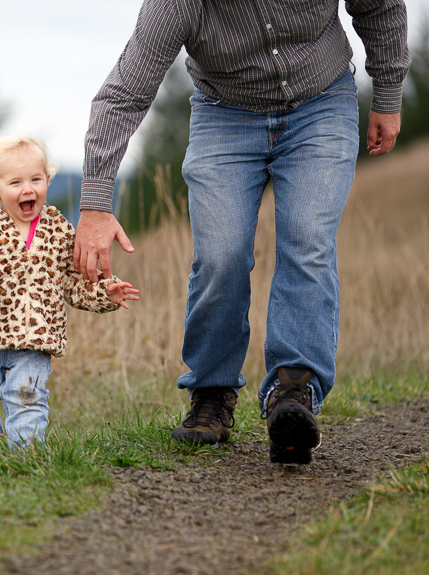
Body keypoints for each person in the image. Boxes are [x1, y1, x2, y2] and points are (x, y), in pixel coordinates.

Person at [74, 0, 410, 463]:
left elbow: (381, 6)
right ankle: (211, 393)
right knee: (220, 255)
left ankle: (294, 393)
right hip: (224, 117)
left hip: (321, 105)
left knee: (307, 240)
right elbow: (124, 93)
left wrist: (388, 93)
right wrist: (94, 204)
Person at [0, 134, 140, 453]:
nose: (28, 189)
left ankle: (26, 460)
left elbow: (75, 281)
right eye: (16, 182)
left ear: (47, 180)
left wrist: (106, 291)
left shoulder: (57, 228)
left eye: (36, 179)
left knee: (27, 396)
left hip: (36, 337)